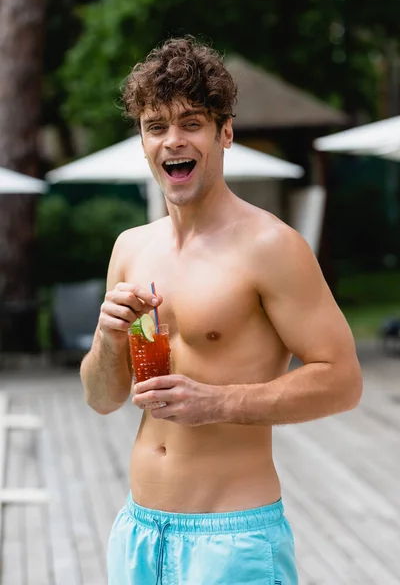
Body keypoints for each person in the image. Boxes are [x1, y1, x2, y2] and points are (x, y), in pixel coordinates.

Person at [80, 36, 363, 585]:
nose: (173, 140)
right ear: (142, 140)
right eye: (156, 126)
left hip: (232, 540)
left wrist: (218, 401)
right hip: (138, 533)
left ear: (224, 132)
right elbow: (101, 398)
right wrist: (107, 339)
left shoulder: (272, 247)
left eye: (191, 122)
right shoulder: (131, 247)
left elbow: (344, 381)